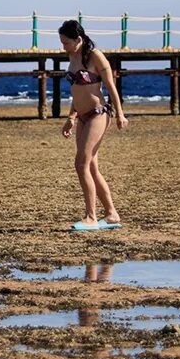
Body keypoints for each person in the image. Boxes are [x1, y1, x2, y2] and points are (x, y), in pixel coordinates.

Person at [58, 19, 128, 231]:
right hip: (82, 117)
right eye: (62, 43)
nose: (64, 47)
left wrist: (120, 115)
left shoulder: (95, 56)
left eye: (66, 43)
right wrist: (71, 117)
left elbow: (111, 87)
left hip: (98, 114)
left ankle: (91, 217)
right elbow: (76, 91)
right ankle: (111, 214)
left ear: (78, 39)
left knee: (81, 164)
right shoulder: (73, 56)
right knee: (92, 167)